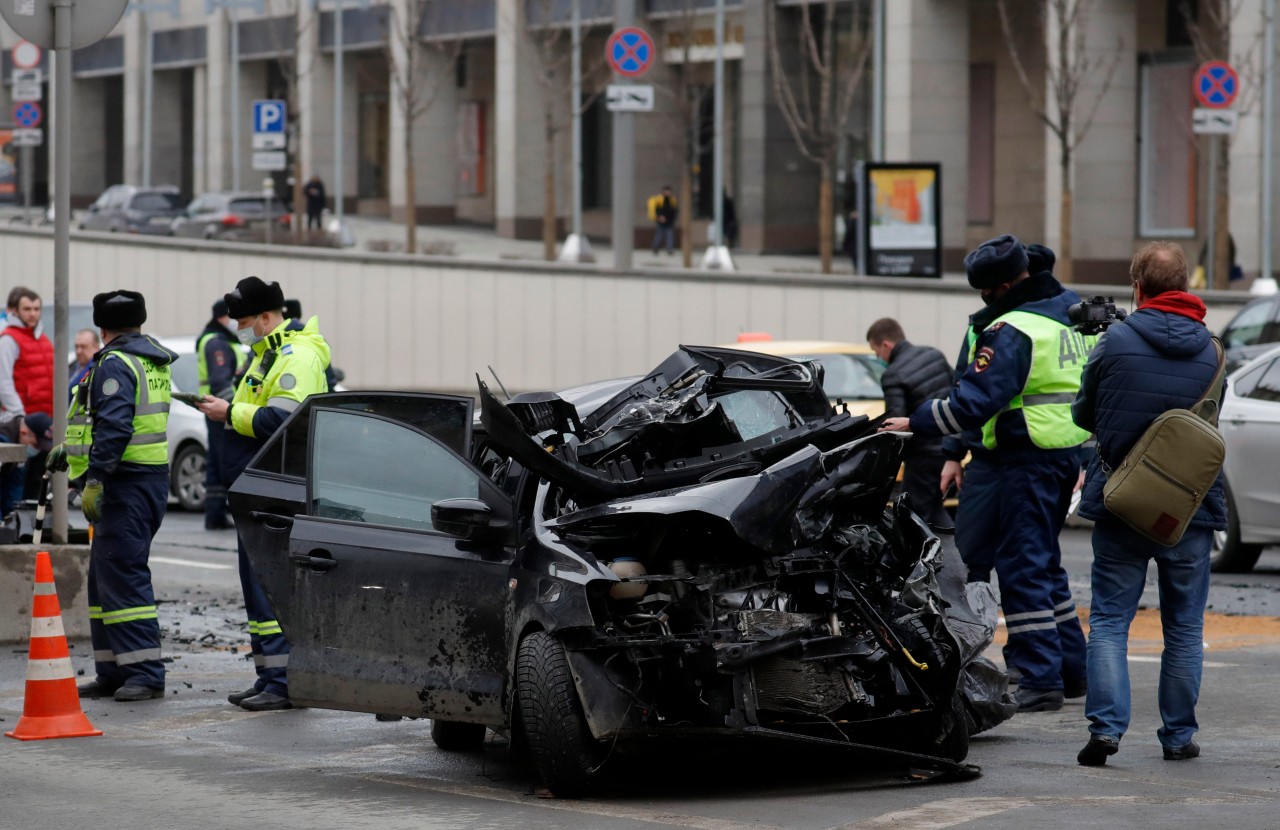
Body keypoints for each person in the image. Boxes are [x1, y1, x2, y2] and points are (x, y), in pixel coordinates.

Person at [879, 234, 1091, 713]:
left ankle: (1038, 677)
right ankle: (1072, 670)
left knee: (1021, 566)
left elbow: (973, 399)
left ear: (996, 287)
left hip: (1022, 458)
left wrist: (917, 422)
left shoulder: (1012, 328)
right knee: (1042, 564)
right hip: (1058, 452)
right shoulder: (1067, 312)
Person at [1071, 242, 1225, 767]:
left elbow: (1083, 414)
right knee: (1184, 627)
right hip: (1188, 508)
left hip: (1123, 501)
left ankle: (1106, 731)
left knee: (1111, 620)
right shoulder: (1213, 349)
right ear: (1184, 285)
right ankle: (1178, 737)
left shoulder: (1114, 342)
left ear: (1138, 286)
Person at [196, 276, 331, 712]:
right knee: (256, 586)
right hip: (256, 487)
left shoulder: (297, 356)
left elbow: (284, 421)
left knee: (270, 585)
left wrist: (228, 412)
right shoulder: (266, 354)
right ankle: (270, 676)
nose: (241, 328)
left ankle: (285, 683)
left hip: (276, 487)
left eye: (247, 321)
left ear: (268, 317)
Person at [46, 290, 177, 703]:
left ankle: (144, 672)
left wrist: (96, 477)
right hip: (144, 480)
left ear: (103, 329)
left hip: (125, 485)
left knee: (125, 578)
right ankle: (113, 670)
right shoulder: (150, 360)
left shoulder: (115, 363)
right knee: (104, 582)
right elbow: (113, 424)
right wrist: (73, 452)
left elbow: (117, 428)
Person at [866, 317, 955, 531]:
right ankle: (957, 557)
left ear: (886, 344)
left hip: (922, 455)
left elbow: (897, 424)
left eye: (877, 352)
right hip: (949, 447)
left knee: (911, 516)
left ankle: (929, 562)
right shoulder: (934, 354)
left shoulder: (893, 374)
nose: (879, 357)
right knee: (934, 508)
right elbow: (956, 396)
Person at [196, 299, 246, 530]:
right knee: (226, 459)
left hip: (213, 408)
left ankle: (214, 515)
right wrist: (232, 409)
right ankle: (224, 513)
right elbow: (220, 380)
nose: (235, 322)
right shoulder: (217, 342)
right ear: (222, 318)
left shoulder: (219, 339)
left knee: (217, 461)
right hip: (220, 409)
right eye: (232, 317)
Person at [0, 286, 54, 419]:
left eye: (36, 309)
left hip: (47, 416)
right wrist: (19, 415)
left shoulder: (42, 337)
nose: (33, 314)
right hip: (25, 419)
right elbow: (3, 382)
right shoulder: (8, 339)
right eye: (27, 309)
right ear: (16, 311)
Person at [70, 328, 101, 396]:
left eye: (83, 347)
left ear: (96, 347)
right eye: (76, 346)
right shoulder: (72, 367)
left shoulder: (98, 370)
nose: (78, 351)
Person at [648, 185, 677, 255]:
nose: (668, 193)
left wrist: (672, 219)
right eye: (666, 191)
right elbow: (657, 210)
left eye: (669, 192)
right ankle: (655, 248)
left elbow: (673, 211)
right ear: (663, 192)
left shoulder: (672, 200)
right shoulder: (659, 200)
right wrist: (659, 217)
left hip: (669, 222)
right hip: (661, 221)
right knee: (659, 236)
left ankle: (669, 249)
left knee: (669, 236)